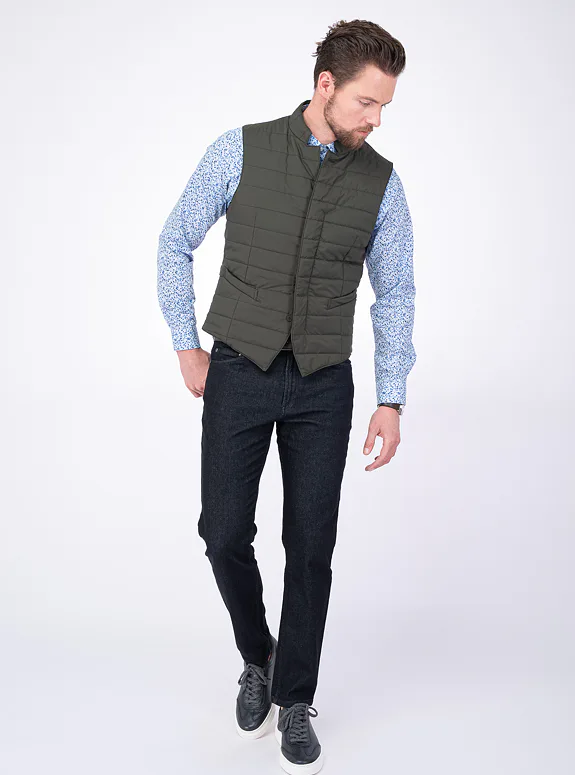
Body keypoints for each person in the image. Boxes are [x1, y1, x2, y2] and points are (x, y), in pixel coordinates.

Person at [157, 18, 416, 775]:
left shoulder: (383, 183)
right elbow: (174, 239)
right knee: (222, 531)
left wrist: (391, 396)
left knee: (310, 547)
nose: (376, 119)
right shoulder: (239, 149)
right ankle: (259, 657)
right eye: (366, 101)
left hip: (323, 385)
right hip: (238, 368)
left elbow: (396, 292)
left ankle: (295, 698)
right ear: (325, 85)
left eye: (385, 106)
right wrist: (186, 343)